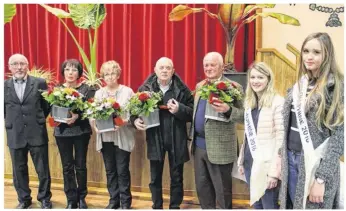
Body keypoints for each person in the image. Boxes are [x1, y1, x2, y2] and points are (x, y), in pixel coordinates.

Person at [278, 32, 344, 209]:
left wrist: (322, 178)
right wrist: (280, 156)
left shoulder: (336, 86)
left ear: (327, 55)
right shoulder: (299, 84)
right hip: (291, 159)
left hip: (316, 165)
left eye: (316, 52)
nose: (309, 56)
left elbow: (339, 137)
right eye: (306, 51)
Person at [131, 57, 194, 209]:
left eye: (168, 68)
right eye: (162, 68)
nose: (165, 70)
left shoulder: (182, 89)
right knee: (155, 177)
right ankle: (157, 206)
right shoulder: (145, 88)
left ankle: (174, 206)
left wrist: (180, 109)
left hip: (176, 138)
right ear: (155, 70)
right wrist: (134, 120)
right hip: (155, 137)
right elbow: (133, 109)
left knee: (177, 177)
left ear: (173, 71)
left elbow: (192, 112)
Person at [190, 52, 244, 209]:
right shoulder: (200, 86)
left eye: (212, 64)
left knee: (222, 192)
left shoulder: (233, 88)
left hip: (220, 149)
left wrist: (228, 109)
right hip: (199, 147)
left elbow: (244, 115)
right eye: (206, 65)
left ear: (221, 67)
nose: (208, 68)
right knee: (203, 190)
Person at [4, 53, 53, 209]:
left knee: (42, 168)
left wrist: (36, 121)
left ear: (27, 65)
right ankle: (24, 199)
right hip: (15, 133)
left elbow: (46, 107)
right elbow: (5, 110)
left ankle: (45, 198)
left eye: (22, 64)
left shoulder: (39, 83)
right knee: (18, 169)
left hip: (36, 131)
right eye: (15, 64)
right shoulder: (4, 86)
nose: (19, 67)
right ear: (9, 67)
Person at [237, 62, 284, 209]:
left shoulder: (278, 102)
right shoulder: (250, 102)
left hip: (267, 165)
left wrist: (274, 173)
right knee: (257, 204)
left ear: (268, 79)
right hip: (251, 162)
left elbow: (280, 139)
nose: (255, 81)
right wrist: (241, 161)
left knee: (268, 205)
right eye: (253, 77)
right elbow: (247, 135)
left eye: (260, 77)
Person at [90, 61, 136, 209]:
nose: (110, 77)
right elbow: (92, 115)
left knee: (122, 170)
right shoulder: (99, 93)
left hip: (122, 136)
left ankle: (125, 201)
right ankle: (113, 200)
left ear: (118, 74)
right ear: (103, 76)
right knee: (110, 170)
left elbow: (134, 113)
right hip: (105, 137)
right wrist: (95, 126)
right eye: (106, 74)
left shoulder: (127, 91)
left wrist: (123, 122)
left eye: (112, 73)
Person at [53, 59, 94, 209]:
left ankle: (82, 197)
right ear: (63, 71)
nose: (71, 73)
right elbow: (53, 109)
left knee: (81, 165)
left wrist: (77, 116)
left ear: (79, 72)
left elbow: (91, 110)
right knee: (67, 166)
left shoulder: (86, 89)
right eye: (67, 69)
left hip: (81, 131)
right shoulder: (56, 89)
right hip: (62, 132)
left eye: (74, 70)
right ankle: (71, 199)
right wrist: (61, 118)